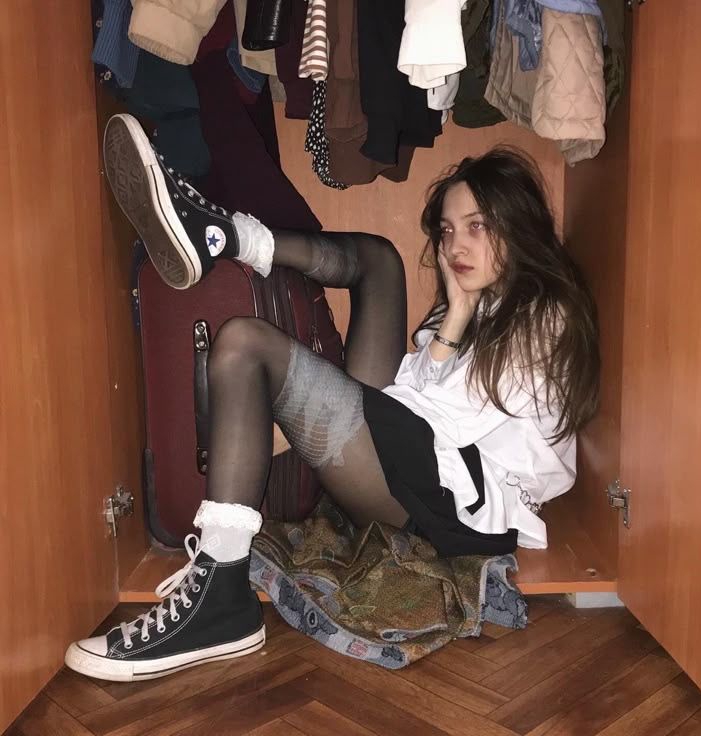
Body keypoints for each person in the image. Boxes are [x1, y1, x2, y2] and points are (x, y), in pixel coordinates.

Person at [65, 114, 599, 682]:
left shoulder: (544, 317)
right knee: (380, 262)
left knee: (245, 345)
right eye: (447, 231)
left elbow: (427, 414)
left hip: (452, 508)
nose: (455, 246)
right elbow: (413, 398)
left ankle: (220, 599)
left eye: (477, 227)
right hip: (420, 462)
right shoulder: (479, 302)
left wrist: (328, 391)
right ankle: (226, 237)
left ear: (517, 228)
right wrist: (453, 317)